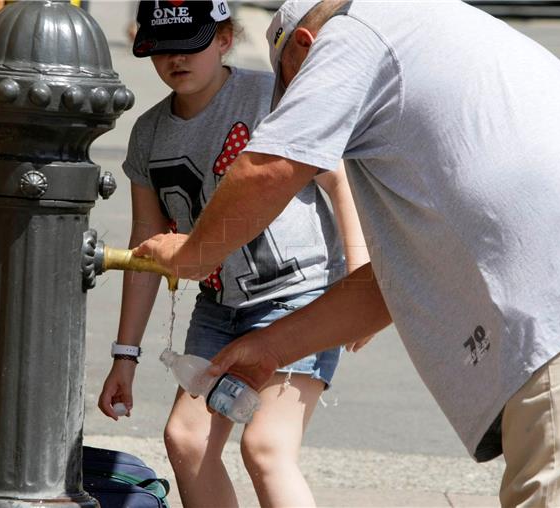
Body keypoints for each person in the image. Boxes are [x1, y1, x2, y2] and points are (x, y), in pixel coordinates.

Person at [134, 1, 560, 506]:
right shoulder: (414, 46)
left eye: (296, 93)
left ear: (303, 48)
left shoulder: (350, 33)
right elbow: (391, 285)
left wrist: (193, 253)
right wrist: (273, 348)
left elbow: (269, 168)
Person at [96, 1, 369, 506]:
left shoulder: (269, 94)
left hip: (300, 296)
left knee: (266, 447)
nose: (176, 58)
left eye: (191, 42)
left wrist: (359, 274)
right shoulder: (148, 135)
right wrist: (124, 356)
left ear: (225, 39)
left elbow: (339, 179)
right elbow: (146, 250)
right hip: (219, 309)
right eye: (162, 46)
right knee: (186, 439)